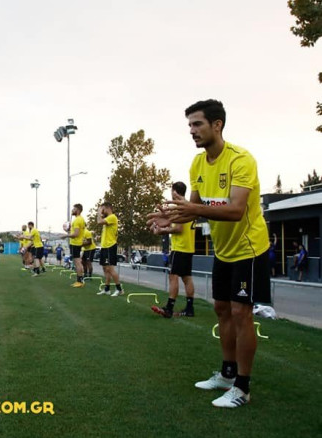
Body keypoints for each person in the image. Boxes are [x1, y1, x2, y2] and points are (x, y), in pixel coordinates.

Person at [147, 99, 271, 408]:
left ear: (217, 125)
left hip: (249, 247)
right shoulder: (197, 164)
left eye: (197, 124)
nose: (192, 130)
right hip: (224, 251)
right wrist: (168, 220)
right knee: (221, 308)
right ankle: (227, 375)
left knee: (241, 312)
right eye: (189, 125)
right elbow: (193, 209)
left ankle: (242, 388)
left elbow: (236, 210)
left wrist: (192, 209)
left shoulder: (241, 160)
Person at [150, 182, 196, 318]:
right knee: (187, 278)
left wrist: (162, 230)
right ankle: (189, 308)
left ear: (174, 191)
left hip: (180, 247)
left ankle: (169, 308)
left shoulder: (179, 208)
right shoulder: (189, 206)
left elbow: (178, 228)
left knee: (173, 276)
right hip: (189, 247)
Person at [97, 202, 124, 296]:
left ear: (107, 208)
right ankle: (107, 289)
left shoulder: (112, 217)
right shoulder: (107, 218)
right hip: (104, 246)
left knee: (110, 268)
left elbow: (99, 222)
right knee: (105, 268)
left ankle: (119, 289)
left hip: (110, 246)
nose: (102, 211)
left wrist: (99, 212)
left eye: (103, 209)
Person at [62, 204, 86, 287]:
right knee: (77, 262)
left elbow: (76, 234)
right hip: (76, 243)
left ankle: (80, 281)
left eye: (74, 209)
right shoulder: (79, 219)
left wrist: (66, 236)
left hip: (76, 243)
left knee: (77, 262)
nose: (72, 210)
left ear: (78, 210)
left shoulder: (78, 220)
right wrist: (69, 230)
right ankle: (80, 280)